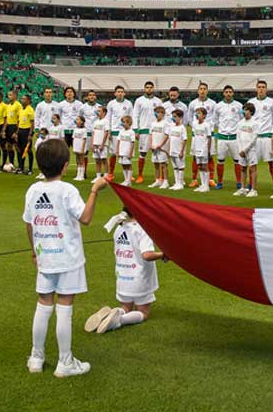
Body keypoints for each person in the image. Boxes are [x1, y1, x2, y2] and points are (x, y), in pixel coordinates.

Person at [23, 141, 107, 378]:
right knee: (65, 305)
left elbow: (29, 224)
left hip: (45, 257)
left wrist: (34, 251)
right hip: (67, 257)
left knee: (43, 303)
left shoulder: (33, 190)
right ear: (65, 165)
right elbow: (86, 217)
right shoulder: (67, 190)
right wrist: (94, 190)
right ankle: (65, 362)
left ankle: (36, 358)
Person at [85, 207, 166, 335]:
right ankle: (119, 320)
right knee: (143, 313)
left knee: (125, 308)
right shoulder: (142, 230)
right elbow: (147, 255)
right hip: (139, 278)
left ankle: (112, 314)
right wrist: (163, 255)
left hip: (122, 277)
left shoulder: (119, 227)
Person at [248, 80, 273, 195]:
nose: (261, 89)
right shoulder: (251, 102)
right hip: (254, 138)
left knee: (271, 163)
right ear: (256, 89)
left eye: (263, 87)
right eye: (259, 87)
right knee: (252, 163)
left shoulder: (271, 102)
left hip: (267, 136)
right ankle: (251, 186)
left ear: (266, 89)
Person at [213, 85, 242, 192]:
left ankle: (239, 182)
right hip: (222, 138)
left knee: (237, 161)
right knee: (220, 161)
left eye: (230, 92)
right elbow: (215, 121)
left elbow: (241, 119)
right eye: (226, 92)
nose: (228, 94)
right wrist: (222, 130)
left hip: (235, 138)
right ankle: (220, 182)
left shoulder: (238, 105)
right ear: (223, 93)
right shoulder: (218, 106)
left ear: (233, 93)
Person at [187, 82, 217, 188]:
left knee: (210, 156)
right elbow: (189, 117)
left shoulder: (213, 103)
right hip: (197, 135)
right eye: (201, 89)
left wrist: (209, 126)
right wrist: (195, 126)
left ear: (207, 91)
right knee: (195, 156)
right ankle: (194, 179)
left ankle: (211, 179)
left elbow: (215, 117)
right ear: (198, 90)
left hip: (208, 134)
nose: (202, 91)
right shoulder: (192, 103)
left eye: (204, 89)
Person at [131, 81, 161, 185]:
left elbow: (162, 115)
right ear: (144, 88)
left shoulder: (158, 101)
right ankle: (140, 175)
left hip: (156, 131)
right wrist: (135, 129)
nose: (149, 89)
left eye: (151, 87)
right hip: (143, 130)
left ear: (153, 89)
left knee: (157, 153)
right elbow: (135, 115)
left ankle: (158, 177)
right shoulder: (139, 100)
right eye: (147, 87)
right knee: (142, 153)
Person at [106, 86, 133, 181]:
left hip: (125, 131)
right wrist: (108, 130)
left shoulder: (129, 103)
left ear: (124, 93)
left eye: (122, 91)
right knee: (113, 153)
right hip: (115, 130)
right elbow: (108, 117)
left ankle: (128, 174)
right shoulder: (111, 103)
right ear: (115, 93)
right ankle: (111, 173)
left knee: (125, 152)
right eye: (118, 92)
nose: (120, 93)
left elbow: (131, 117)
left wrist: (131, 129)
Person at [235, 103, 259, 198]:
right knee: (242, 168)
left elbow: (254, 138)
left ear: (251, 112)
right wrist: (240, 149)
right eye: (243, 109)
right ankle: (243, 188)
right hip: (241, 150)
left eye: (246, 110)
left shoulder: (255, 123)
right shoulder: (240, 123)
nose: (244, 112)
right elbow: (238, 136)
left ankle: (253, 189)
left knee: (253, 168)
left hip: (251, 150)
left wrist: (245, 149)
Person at [190, 107, 213, 193]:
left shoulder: (206, 125)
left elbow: (209, 138)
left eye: (199, 113)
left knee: (205, 166)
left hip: (204, 149)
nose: (197, 115)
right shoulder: (195, 125)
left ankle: (206, 185)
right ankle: (202, 184)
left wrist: (208, 150)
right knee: (199, 166)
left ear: (204, 115)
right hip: (197, 147)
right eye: (196, 113)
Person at [148, 105, 170, 189]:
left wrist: (161, 145)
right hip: (154, 147)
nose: (156, 114)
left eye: (158, 113)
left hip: (162, 148)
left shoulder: (165, 124)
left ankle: (165, 181)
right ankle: (157, 180)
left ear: (163, 114)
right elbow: (150, 134)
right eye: (155, 112)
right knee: (156, 164)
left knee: (163, 164)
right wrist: (150, 144)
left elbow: (167, 135)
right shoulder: (153, 123)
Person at [91, 105, 110, 181]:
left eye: (99, 111)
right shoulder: (95, 122)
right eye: (97, 111)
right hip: (95, 143)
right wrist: (92, 143)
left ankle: (106, 176)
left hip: (102, 144)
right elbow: (93, 133)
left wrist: (102, 144)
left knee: (104, 160)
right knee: (97, 160)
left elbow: (106, 132)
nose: (97, 112)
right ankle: (98, 176)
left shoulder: (106, 121)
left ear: (104, 112)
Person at [116, 115, 137, 187]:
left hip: (127, 151)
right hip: (121, 151)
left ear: (129, 123)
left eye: (124, 122)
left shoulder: (131, 132)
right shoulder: (121, 131)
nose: (123, 124)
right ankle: (125, 179)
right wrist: (117, 151)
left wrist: (130, 152)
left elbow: (133, 142)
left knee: (128, 165)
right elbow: (118, 141)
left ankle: (128, 180)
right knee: (123, 165)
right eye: (122, 122)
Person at [72, 115, 90, 181]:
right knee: (78, 161)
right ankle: (78, 175)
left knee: (82, 161)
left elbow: (84, 139)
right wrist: (74, 147)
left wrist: (82, 149)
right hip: (76, 147)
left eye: (78, 120)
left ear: (82, 122)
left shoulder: (84, 130)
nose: (76, 121)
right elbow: (73, 138)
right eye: (76, 120)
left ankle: (82, 175)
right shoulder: (75, 129)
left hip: (81, 147)